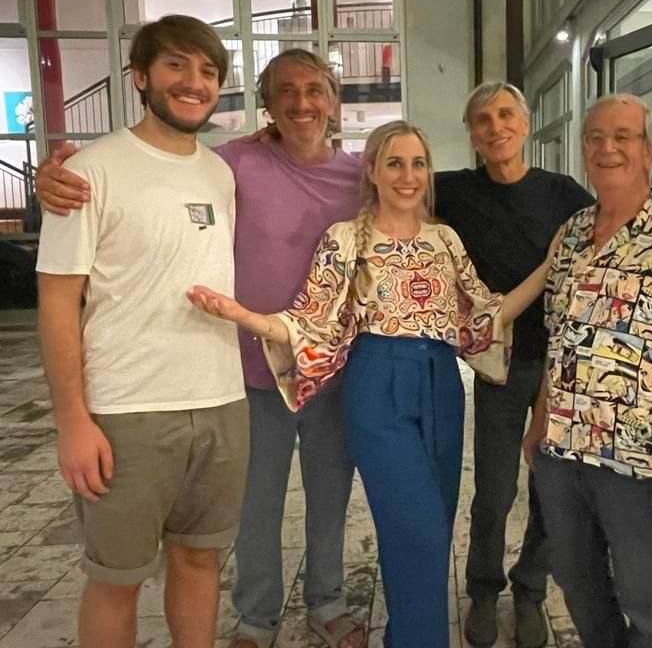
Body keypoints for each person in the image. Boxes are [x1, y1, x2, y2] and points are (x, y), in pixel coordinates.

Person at [34, 48, 366, 648]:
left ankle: (328, 601)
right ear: (267, 105)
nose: (302, 103)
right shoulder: (231, 163)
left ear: (334, 101)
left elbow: (414, 197)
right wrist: (57, 176)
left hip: (332, 371)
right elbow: (158, 166)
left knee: (330, 497)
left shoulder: (361, 177)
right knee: (255, 505)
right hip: (248, 373)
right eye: (286, 91)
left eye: (315, 90)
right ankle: (256, 617)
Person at [185, 120, 558, 648]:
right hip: (377, 386)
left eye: (418, 164)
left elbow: (485, 316)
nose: (408, 175)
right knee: (417, 528)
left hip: (442, 389)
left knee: (433, 532)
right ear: (373, 172)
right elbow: (310, 320)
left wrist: (547, 267)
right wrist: (244, 316)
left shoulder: (444, 240)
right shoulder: (344, 240)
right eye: (395, 163)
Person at [35, 15, 248, 648]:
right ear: (140, 77)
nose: (193, 82)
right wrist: (72, 420)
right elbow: (57, 301)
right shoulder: (89, 172)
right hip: (127, 409)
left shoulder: (219, 174)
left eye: (207, 71)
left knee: (200, 558)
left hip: (220, 399)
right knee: (117, 579)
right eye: (176, 65)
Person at [523, 94, 652, 648]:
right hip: (562, 452)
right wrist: (539, 422)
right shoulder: (570, 234)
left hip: (637, 462)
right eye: (595, 137)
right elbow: (559, 339)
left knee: (648, 598)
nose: (607, 148)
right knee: (576, 579)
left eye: (623, 137)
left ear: (649, 150)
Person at [435, 81, 593, 648]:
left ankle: (531, 588)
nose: (495, 126)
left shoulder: (563, 193)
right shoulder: (452, 191)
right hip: (499, 366)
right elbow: (382, 178)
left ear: (525, 125)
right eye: (483, 119)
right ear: (472, 134)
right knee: (495, 490)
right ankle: (483, 588)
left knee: (552, 488)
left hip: (563, 365)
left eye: (506, 115)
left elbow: (602, 248)